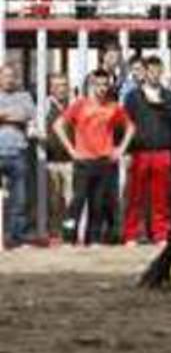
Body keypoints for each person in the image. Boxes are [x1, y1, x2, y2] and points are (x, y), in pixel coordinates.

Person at [54, 69, 135, 246]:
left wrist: (120, 149)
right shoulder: (80, 105)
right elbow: (58, 125)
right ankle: (68, 237)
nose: (102, 88)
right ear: (91, 85)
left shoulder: (113, 107)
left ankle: (94, 238)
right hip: (84, 161)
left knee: (98, 203)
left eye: (105, 84)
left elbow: (130, 127)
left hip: (105, 160)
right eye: (98, 84)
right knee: (77, 202)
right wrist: (71, 150)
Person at [120, 56, 171, 244]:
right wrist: (126, 151)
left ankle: (160, 234)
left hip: (163, 152)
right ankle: (132, 234)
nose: (154, 75)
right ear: (144, 72)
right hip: (139, 153)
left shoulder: (170, 96)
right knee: (135, 196)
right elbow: (125, 124)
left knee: (161, 198)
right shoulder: (133, 96)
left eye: (158, 71)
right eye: (151, 71)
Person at [0, 64, 36, 249]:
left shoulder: (24, 96)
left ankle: (16, 237)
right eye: (5, 76)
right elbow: (18, 116)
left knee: (19, 199)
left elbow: (27, 115)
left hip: (18, 152)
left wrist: (3, 117)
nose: (9, 79)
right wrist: (13, 116)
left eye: (12, 76)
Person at [41, 73, 75, 240]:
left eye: (63, 85)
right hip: (50, 161)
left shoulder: (73, 105)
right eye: (57, 85)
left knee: (70, 201)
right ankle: (54, 232)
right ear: (50, 88)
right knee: (53, 201)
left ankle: (68, 233)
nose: (61, 89)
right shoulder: (44, 107)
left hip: (70, 161)